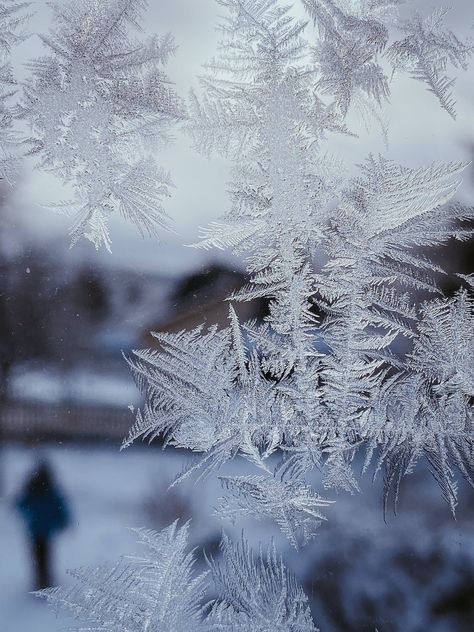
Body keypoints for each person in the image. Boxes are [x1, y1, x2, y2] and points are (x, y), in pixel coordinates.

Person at [15, 459, 71, 590]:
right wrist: (63, 521)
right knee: (45, 554)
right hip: (45, 530)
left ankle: (40, 579)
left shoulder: (31, 488)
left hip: (34, 529)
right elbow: (60, 507)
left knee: (37, 555)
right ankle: (44, 579)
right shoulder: (50, 489)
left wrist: (30, 513)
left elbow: (20, 504)